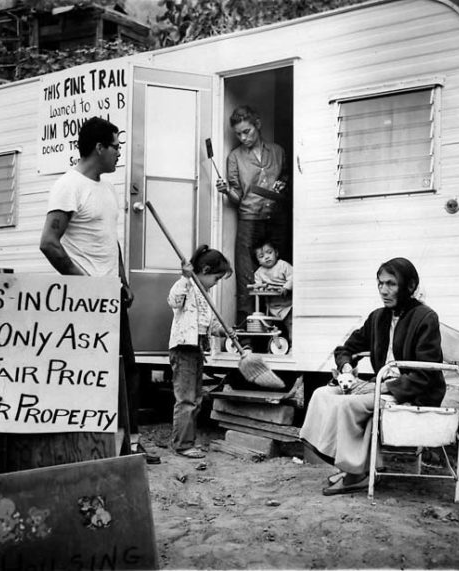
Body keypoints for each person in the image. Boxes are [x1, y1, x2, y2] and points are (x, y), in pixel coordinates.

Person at [39, 116, 160, 465]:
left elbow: (111, 242)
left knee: (127, 371)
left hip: (111, 297)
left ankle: (131, 446)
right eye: (116, 147)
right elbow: (49, 243)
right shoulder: (68, 186)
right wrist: (86, 288)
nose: (120, 154)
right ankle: (87, 450)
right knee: (88, 375)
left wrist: (121, 280)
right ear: (99, 148)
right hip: (84, 303)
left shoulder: (106, 189)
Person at [298, 257, 445, 495]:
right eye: (380, 284)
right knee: (322, 394)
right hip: (380, 385)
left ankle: (357, 473)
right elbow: (345, 349)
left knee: (352, 405)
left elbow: (427, 373)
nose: (383, 291)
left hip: (413, 391)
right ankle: (347, 463)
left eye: (391, 284)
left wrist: (386, 387)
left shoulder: (425, 318)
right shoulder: (378, 317)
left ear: (409, 286)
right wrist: (346, 368)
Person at [215, 105, 290, 325]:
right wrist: (227, 190)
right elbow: (237, 196)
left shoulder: (277, 151)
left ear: (257, 124)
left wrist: (281, 185)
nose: (243, 137)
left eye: (246, 131)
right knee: (247, 276)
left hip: (276, 219)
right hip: (249, 220)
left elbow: (285, 176)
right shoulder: (235, 157)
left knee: (280, 272)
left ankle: (281, 327)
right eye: (238, 134)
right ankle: (248, 331)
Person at [167, 245, 233, 459]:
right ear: (204, 270)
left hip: (196, 350)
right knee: (186, 399)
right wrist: (185, 278)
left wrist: (225, 332)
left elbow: (212, 324)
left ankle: (186, 440)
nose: (215, 284)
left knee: (196, 398)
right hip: (183, 349)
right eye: (216, 278)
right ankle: (183, 444)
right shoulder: (186, 287)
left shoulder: (205, 295)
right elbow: (173, 301)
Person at [251, 237, 293, 343]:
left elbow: (293, 276)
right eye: (261, 256)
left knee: (291, 325)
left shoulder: (283, 265)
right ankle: (273, 345)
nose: (266, 257)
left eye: (269, 253)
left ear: (276, 253)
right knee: (271, 328)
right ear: (258, 261)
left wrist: (286, 287)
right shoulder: (259, 272)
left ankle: (293, 344)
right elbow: (258, 285)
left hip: (288, 305)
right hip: (271, 306)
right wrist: (259, 287)